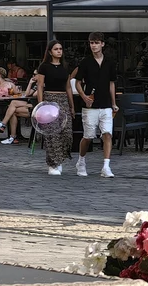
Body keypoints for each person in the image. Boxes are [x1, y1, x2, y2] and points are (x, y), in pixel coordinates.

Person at [72, 32, 118, 179]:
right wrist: (84, 96)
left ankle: (106, 165)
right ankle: (81, 161)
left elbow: (112, 83)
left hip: (105, 104)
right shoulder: (85, 62)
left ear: (102, 44)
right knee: (88, 136)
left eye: (96, 42)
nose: (94, 45)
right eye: (92, 43)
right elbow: (77, 81)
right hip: (90, 105)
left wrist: (114, 103)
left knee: (107, 134)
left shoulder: (110, 62)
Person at [35, 40, 74, 176]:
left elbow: (68, 87)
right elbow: (40, 85)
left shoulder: (65, 67)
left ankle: (60, 159)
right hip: (50, 99)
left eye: (60, 49)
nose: (59, 51)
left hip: (63, 99)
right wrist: (41, 105)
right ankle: (52, 163)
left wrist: (72, 105)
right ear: (50, 51)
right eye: (56, 49)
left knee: (67, 133)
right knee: (52, 134)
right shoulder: (44, 67)